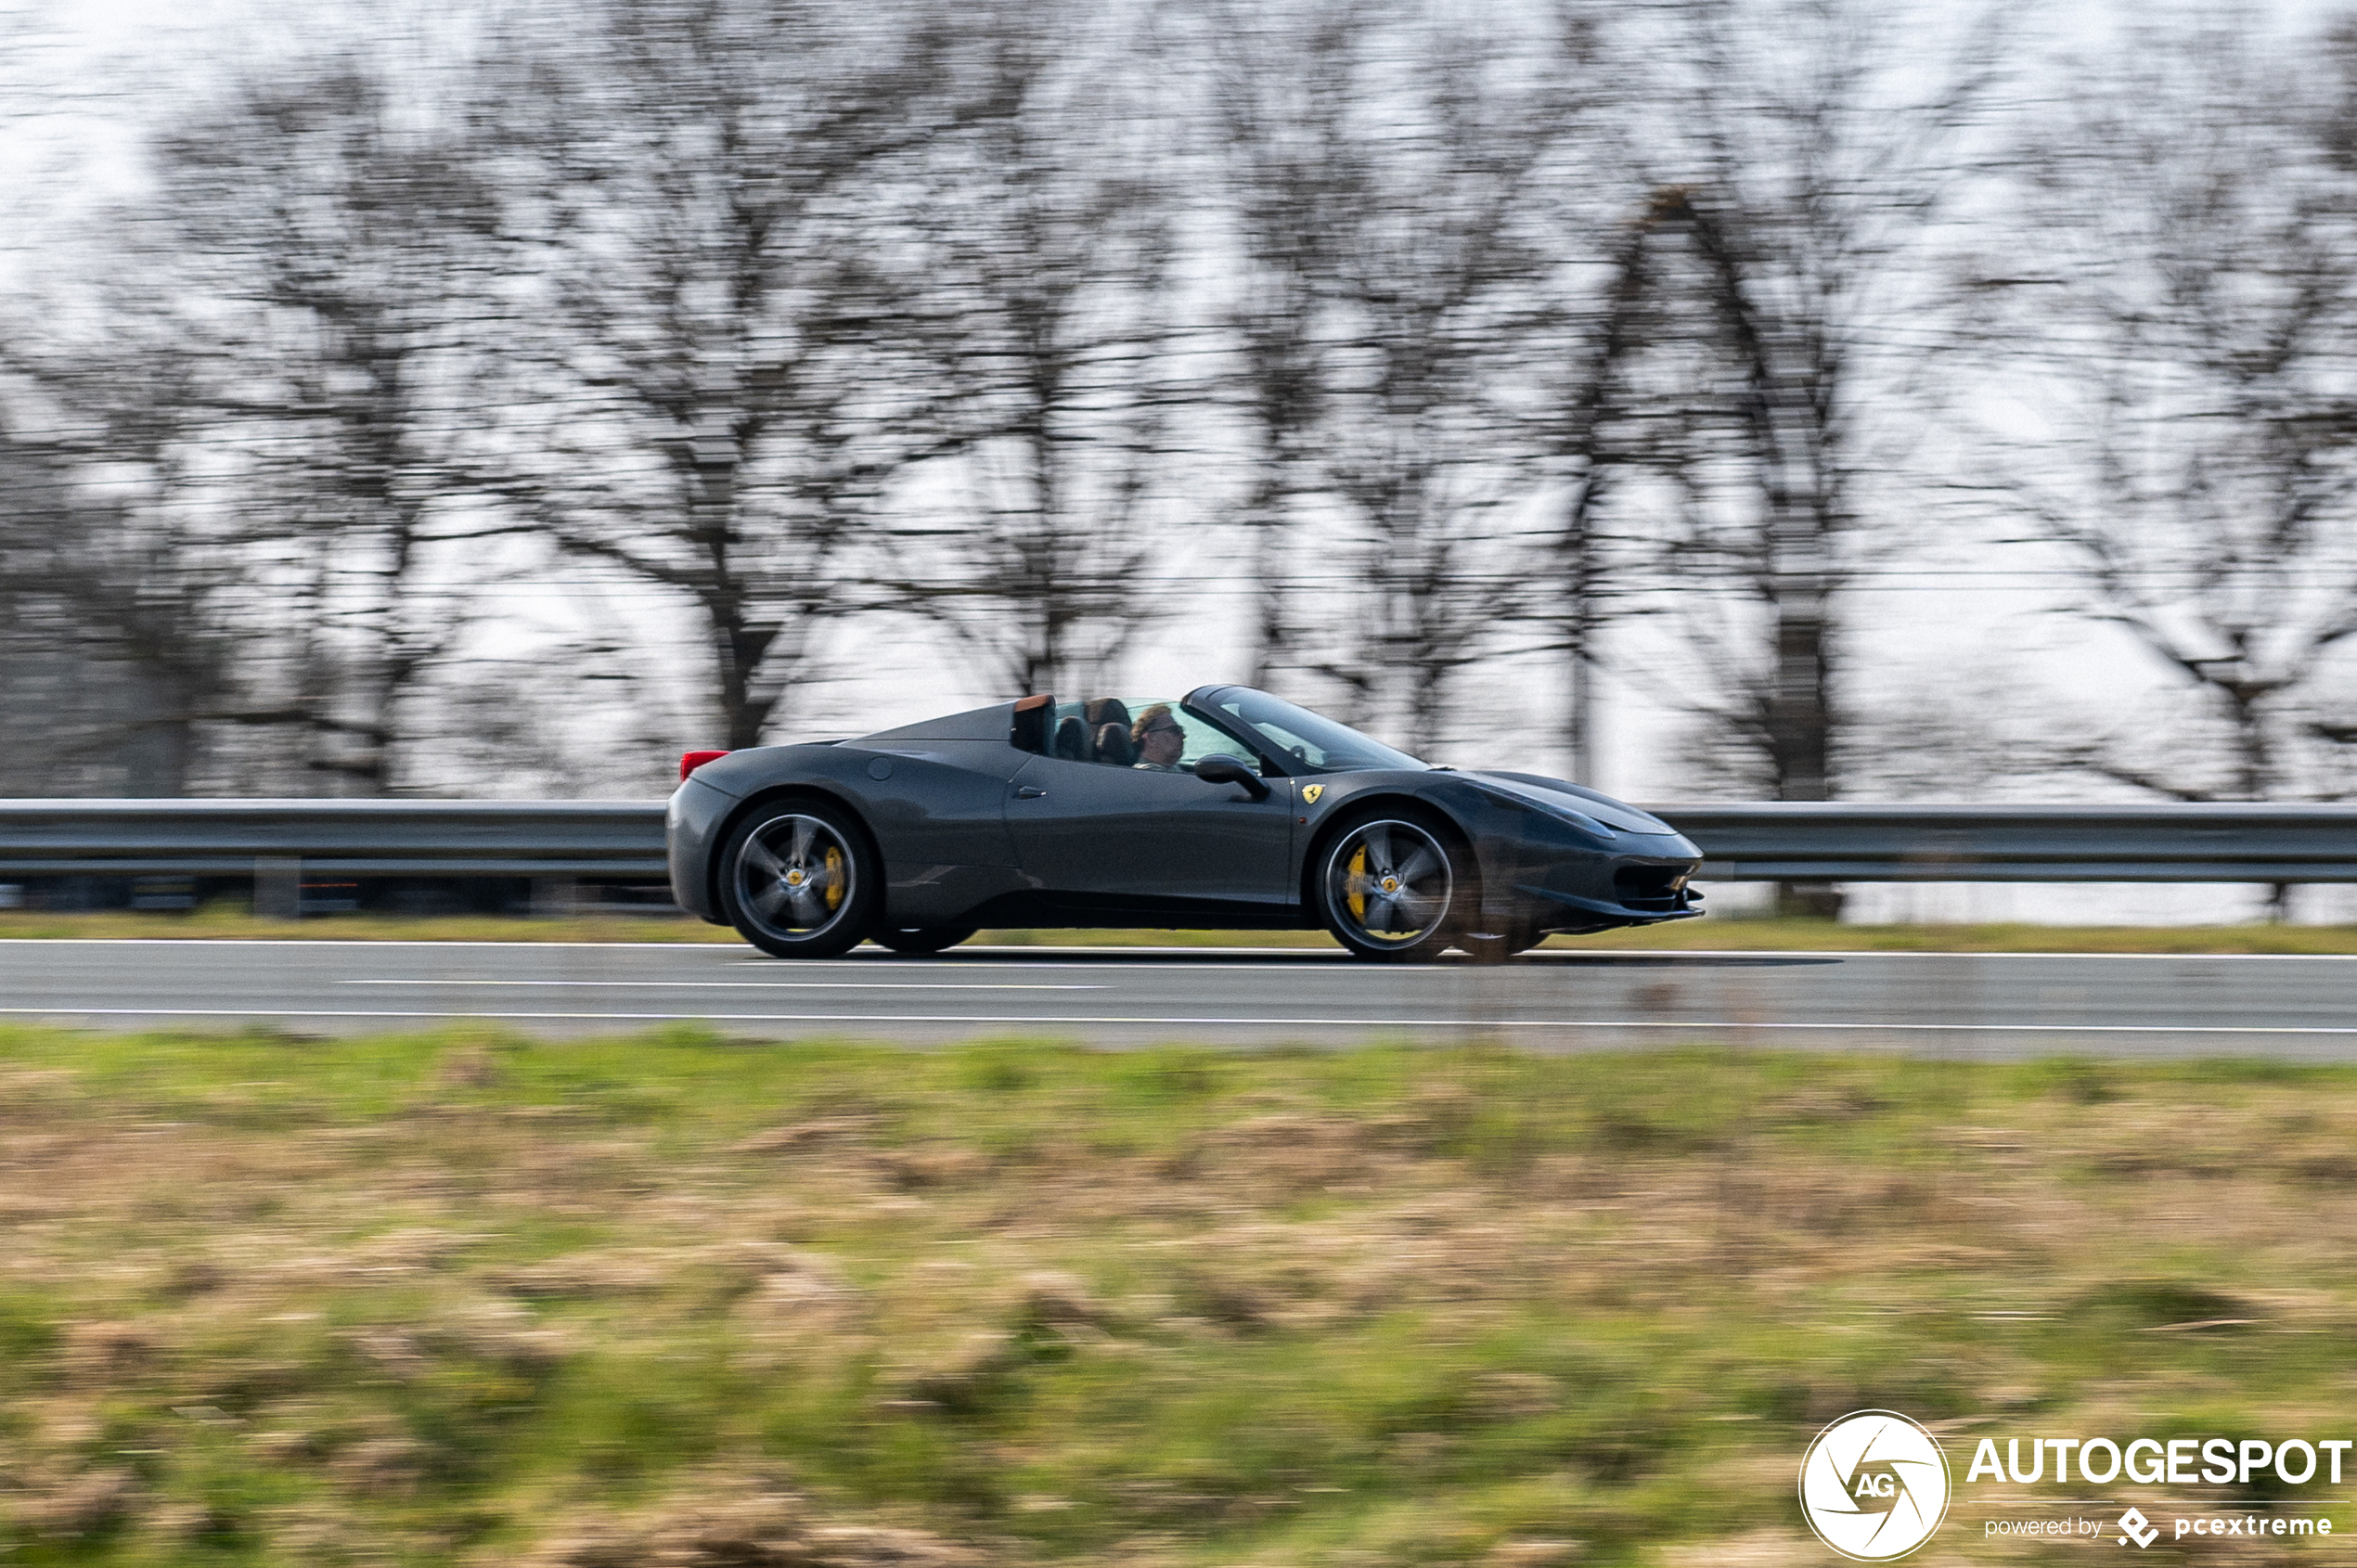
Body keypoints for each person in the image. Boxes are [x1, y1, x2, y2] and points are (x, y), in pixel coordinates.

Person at [1130, 703, 1184, 770]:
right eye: (1174, 730)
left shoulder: (1172, 769)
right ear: (1150, 738)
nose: (1182, 736)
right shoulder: (1146, 773)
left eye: (1181, 730)